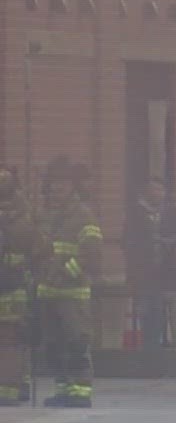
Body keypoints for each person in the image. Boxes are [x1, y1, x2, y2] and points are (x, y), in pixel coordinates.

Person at [36, 159, 103, 407]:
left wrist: (65, 273)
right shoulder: (44, 215)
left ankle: (81, 391)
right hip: (48, 292)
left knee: (77, 341)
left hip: (73, 293)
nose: (57, 189)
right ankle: (63, 389)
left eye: (63, 185)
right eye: (54, 185)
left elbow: (92, 254)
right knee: (53, 344)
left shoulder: (83, 215)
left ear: (72, 187)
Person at [127, 179, 176, 348]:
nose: (158, 193)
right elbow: (128, 241)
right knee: (149, 311)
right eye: (154, 190)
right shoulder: (136, 213)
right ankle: (149, 346)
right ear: (146, 191)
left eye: (161, 190)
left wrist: (169, 241)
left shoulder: (170, 212)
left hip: (168, 271)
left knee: (174, 308)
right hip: (145, 273)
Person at [0, 167, 38, 406]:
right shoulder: (24, 214)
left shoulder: (23, 216)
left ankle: (11, 388)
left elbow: (36, 248)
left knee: (12, 339)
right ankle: (17, 384)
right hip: (12, 283)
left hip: (13, 286)